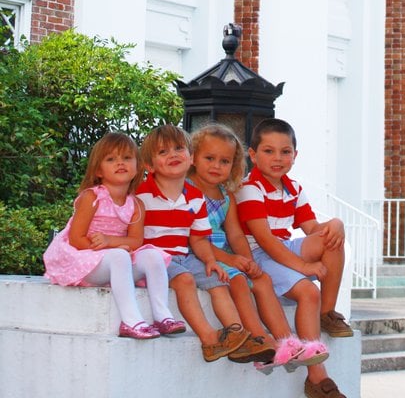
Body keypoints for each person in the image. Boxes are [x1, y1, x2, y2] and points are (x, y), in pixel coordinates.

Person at [186, 122, 329, 372]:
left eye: (224, 161)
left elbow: (236, 234)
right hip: (200, 254)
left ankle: (287, 343)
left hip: (226, 254)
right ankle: (259, 340)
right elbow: (192, 239)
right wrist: (232, 261)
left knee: (261, 280)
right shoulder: (187, 192)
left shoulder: (226, 195)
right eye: (209, 158)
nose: (216, 166)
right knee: (240, 281)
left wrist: (246, 258)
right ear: (193, 158)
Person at [136, 123, 273, 364]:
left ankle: (236, 335)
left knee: (218, 280)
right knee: (187, 279)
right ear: (149, 165)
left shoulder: (194, 197)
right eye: (163, 152)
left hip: (186, 256)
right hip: (154, 257)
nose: (173, 155)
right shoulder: (141, 194)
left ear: (189, 157)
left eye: (179, 149)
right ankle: (209, 339)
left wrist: (212, 261)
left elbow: (198, 239)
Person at [236, 118, 353, 398]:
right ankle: (316, 377)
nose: (278, 158)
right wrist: (303, 267)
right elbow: (263, 239)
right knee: (308, 292)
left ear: (295, 156)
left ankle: (328, 312)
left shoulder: (293, 188)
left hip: (282, 247)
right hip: (259, 254)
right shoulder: (249, 188)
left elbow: (312, 229)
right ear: (252, 155)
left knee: (332, 241)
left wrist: (336, 223)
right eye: (268, 151)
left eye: (285, 152)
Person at [43, 131, 185, 340]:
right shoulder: (92, 197)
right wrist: (108, 249)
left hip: (117, 261)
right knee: (119, 257)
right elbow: (76, 239)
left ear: (137, 166)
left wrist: (112, 242)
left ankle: (162, 316)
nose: (120, 163)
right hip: (84, 261)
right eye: (111, 159)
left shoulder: (136, 204)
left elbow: (136, 241)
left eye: (127, 158)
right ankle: (130, 321)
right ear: (98, 170)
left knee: (153, 255)